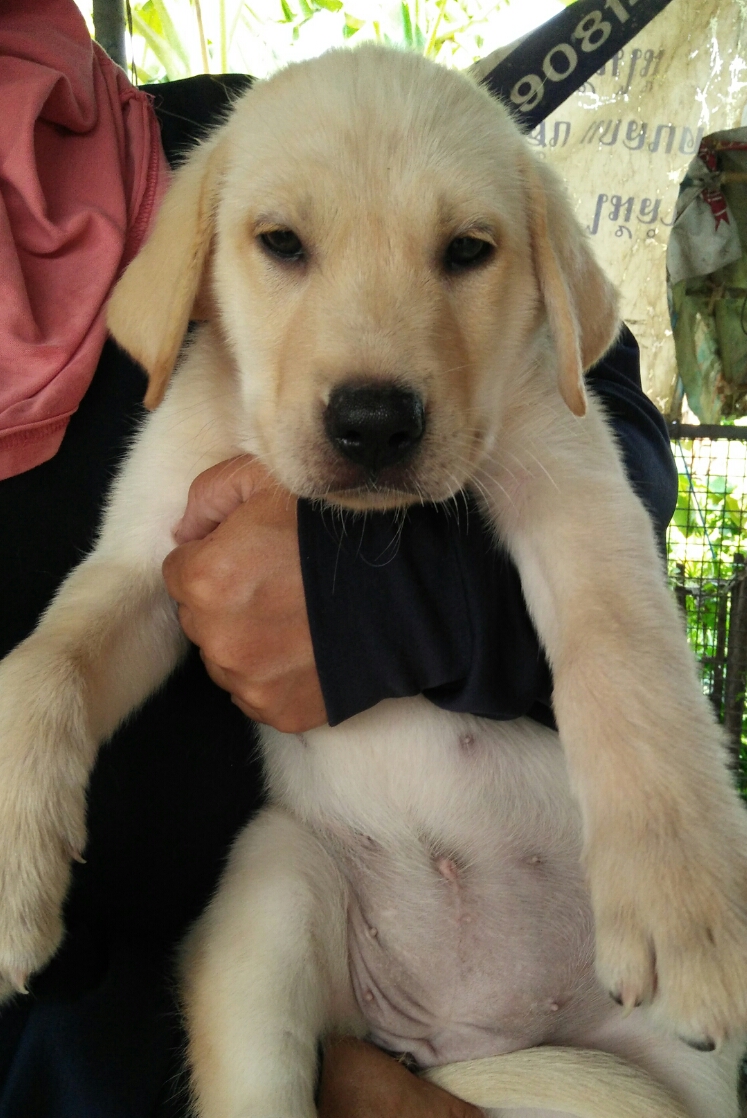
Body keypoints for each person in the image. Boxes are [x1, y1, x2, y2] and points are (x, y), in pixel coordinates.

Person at [0, 3, 677, 1114]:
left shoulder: (264, 135)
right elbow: (121, 591)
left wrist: (381, 601)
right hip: (260, 1012)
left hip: (596, 953)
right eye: (284, 248)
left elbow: (617, 452)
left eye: (459, 252)